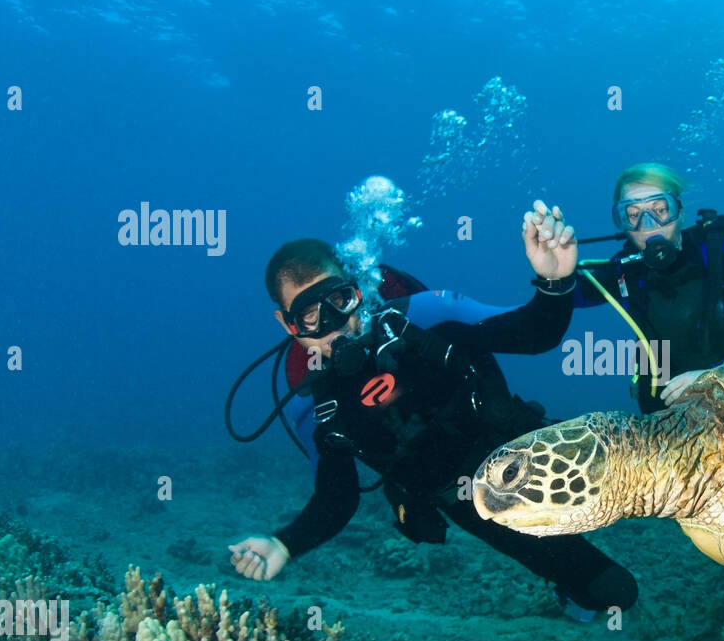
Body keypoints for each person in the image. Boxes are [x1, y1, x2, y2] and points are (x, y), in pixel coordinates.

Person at [227, 209, 638, 618]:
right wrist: (284, 544)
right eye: (310, 315)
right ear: (288, 324)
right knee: (614, 590)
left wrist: (555, 282)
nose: (333, 324)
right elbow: (337, 496)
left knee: (649, 486)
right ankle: (572, 593)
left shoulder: (419, 317)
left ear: (356, 288)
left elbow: (532, 333)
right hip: (465, 497)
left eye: (339, 300)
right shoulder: (317, 402)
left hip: (517, 440)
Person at [556, 163, 724, 413]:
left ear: (679, 211)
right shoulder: (624, 271)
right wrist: (554, 275)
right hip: (663, 418)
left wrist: (717, 378)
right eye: (633, 215)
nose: (648, 224)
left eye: (659, 209)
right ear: (623, 223)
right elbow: (557, 305)